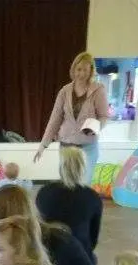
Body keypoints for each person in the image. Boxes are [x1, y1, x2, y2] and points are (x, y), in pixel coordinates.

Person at [34, 52, 108, 184]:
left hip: (88, 146)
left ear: (91, 71)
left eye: (85, 69)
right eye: (79, 69)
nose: (82, 73)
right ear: (73, 69)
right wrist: (43, 145)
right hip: (67, 145)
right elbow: (54, 119)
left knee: (84, 184)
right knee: (67, 184)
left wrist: (96, 126)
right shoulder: (64, 91)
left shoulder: (98, 90)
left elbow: (104, 116)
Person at [35, 146, 103, 262]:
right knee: (94, 259)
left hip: (49, 256)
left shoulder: (44, 192)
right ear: (83, 168)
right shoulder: (93, 197)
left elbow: (38, 228)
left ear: (61, 168)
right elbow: (93, 238)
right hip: (80, 256)